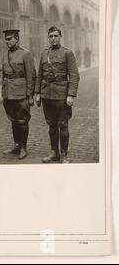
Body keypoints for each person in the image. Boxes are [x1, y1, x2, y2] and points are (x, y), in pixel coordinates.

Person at [35, 26, 80, 164]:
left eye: (55, 36)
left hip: (61, 94)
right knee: (51, 125)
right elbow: (39, 75)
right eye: (51, 36)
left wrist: (71, 95)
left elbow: (74, 76)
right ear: (48, 38)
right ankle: (54, 152)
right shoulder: (44, 54)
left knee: (63, 124)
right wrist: (37, 92)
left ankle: (64, 155)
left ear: (60, 37)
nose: (53, 38)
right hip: (47, 94)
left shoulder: (67, 53)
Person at [0, 29, 36, 160]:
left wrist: (30, 95)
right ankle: (16, 145)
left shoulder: (25, 54)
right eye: (6, 39)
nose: (7, 41)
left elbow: (31, 75)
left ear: (17, 39)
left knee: (22, 121)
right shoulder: (5, 55)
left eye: (9, 39)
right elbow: (3, 73)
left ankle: (23, 147)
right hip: (8, 93)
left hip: (21, 94)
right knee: (13, 120)